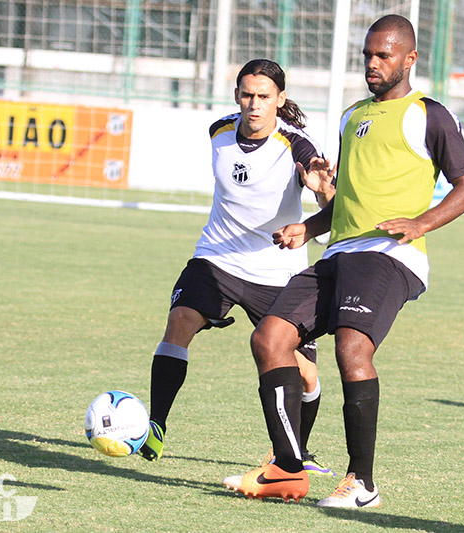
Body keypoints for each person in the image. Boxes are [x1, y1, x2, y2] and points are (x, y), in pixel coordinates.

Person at [222, 15, 464, 507]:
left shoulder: (428, 114)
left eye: (383, 55)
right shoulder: (351, 116)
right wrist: (311, 222)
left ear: (409, 59)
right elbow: (346, 201)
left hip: (388, 254)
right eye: (367, 55)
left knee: (350, 350)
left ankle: (361, 482)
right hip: (340, 248)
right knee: (269, 338)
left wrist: (420, 224)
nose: (372, 64)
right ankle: (287, 468)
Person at [138, 59, 337, 477]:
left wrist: (320, 191)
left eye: (264, 97)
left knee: (304, 373)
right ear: (236, 96)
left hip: (277, 272)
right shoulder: (218, 131)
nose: (255, 104)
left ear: (280, 100)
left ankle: (295, 452)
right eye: (247, 95)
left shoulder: (298, 145)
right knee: (179, 322)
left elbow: (330, 206)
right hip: (217, 258)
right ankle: (155, 426)